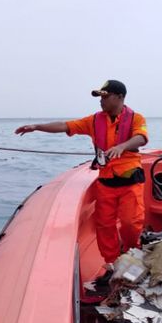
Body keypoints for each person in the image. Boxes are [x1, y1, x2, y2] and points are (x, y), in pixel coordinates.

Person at [15, 80, 148, 281]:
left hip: (130, 181)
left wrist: (122, 146)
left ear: (119, 97)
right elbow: (65, 125)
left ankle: (132, 255)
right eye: (100, 97)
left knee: (131, 223)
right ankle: (112, 265)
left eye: (105, 96)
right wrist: (37, 126)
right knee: (104, 226)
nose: (101, 101)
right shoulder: (94, 121)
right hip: (105, 181)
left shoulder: (136, 118)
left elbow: (141, 138)